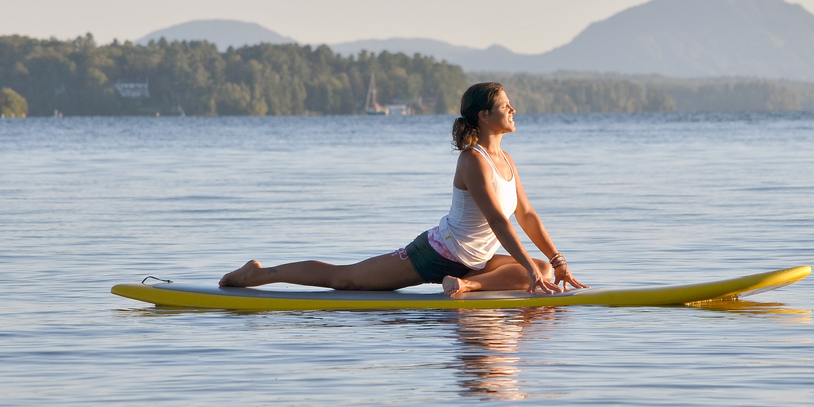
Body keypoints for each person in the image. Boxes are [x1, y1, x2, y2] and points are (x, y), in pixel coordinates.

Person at [219, 82, 585, 297]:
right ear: (484, 117)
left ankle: (465, 287)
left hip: (478, 262)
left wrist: (556, 264)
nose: (514, 110)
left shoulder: (506, 160)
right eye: (506, 106)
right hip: (437, 253)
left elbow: (527, 216)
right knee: (344, 280)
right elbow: (500, 223)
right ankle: (260, 274)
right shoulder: (473, 161)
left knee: (541, 271)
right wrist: (531, 271)